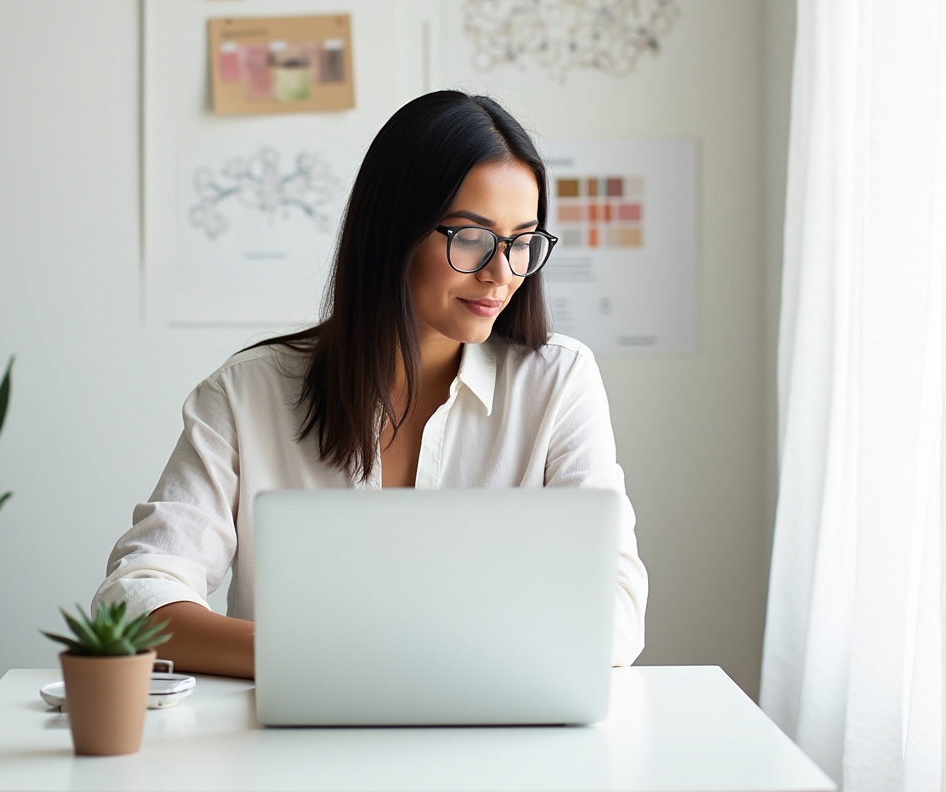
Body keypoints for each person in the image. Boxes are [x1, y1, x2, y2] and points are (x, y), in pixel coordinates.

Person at [94, 90, 648, 675]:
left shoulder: (557, 383)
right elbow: (134, 598)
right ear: (393, 231)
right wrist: (309, 653)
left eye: (521, 242)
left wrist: (429, 656)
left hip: (494, 739)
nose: (501, 272)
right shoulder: (245, 395)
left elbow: (616, 609)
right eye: (470, 236)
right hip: (293, 748)